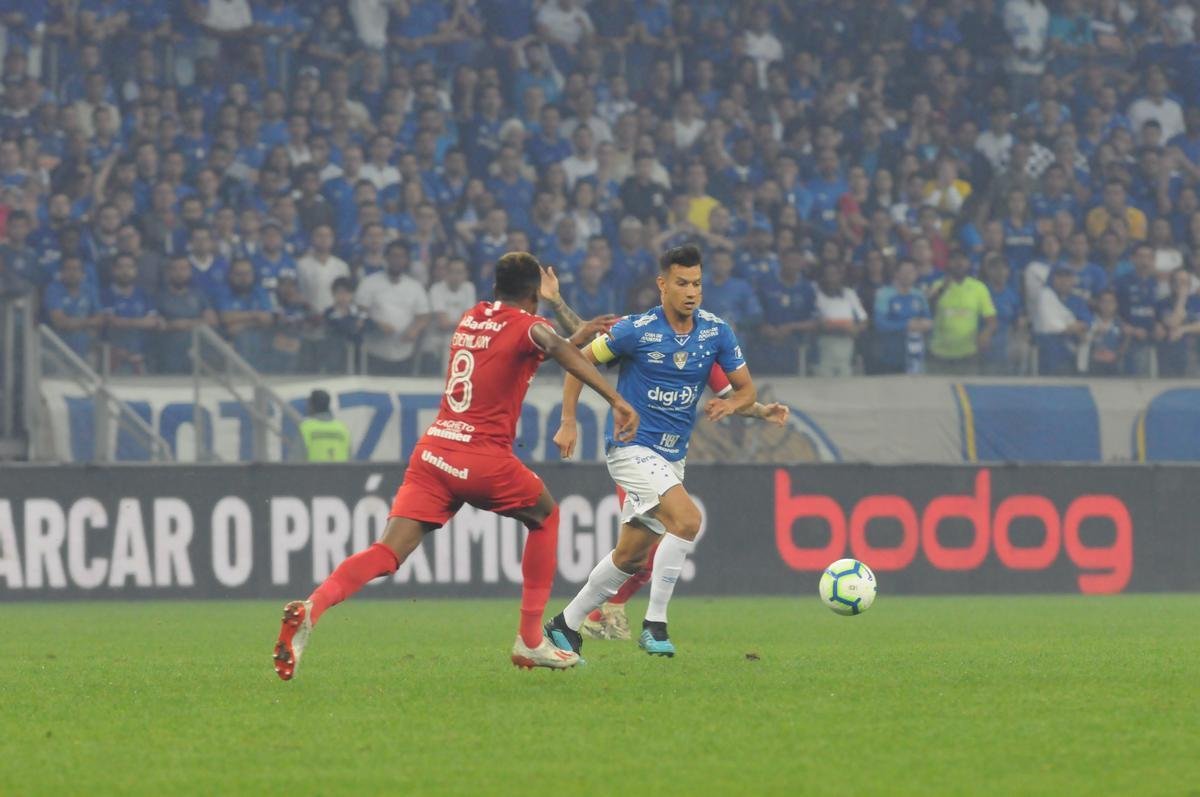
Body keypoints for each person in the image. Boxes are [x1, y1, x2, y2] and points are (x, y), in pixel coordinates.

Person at [273, 252, 640, 679]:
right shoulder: (528, 326)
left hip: (434, 453)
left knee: (386, 552)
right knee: (546, 516)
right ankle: (530, 639)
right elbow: (552, 346)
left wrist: (575, 335)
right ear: (532, 296)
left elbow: (532, 350)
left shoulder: (471, 318)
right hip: (481, 456)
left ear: (495, 287)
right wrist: (616, 399)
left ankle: (312, 607)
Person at [537, 265, 790, 643]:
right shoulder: (638, 329)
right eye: (681, 284)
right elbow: (582, 344)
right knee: (686, 521)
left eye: (695, 285)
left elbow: (733, 395)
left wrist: (762, 411)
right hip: (634, 447)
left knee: (633, 558)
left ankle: (569, 623)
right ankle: (652, 625)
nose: (689, 292)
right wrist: (557, 302)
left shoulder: (707, 341)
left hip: (671, 457)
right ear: (662, 289)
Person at [927, 251, 998, 375]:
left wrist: (986, 333)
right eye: (954, 259)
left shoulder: (979, 288)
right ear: (948, 263)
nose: (959, 263)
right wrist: (943, 289)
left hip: (968, 355)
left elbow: (991, 319)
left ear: (969, 263)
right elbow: (928, 309)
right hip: (939, 354)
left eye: (962, 259)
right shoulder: (937, 285)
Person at [299, 389, 351, 462]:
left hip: (315, 469)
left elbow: (296, 460)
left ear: (312, 406)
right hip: (340, 469)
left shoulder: (305, 428)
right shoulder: (342, 428)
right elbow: (350, 459)